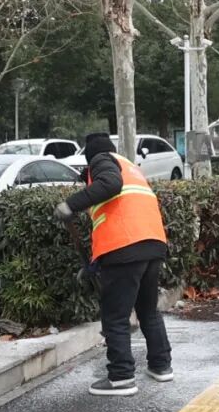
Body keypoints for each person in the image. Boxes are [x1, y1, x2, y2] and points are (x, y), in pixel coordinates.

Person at [54, 133, 172, 396]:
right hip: (152, 244)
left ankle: (121, 377)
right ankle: (161, 366)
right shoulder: (129, 166)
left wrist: (70, 205)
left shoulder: (102, 160)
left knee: (115, 316)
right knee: (148, 310)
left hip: (125, 246)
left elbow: (110, 184)